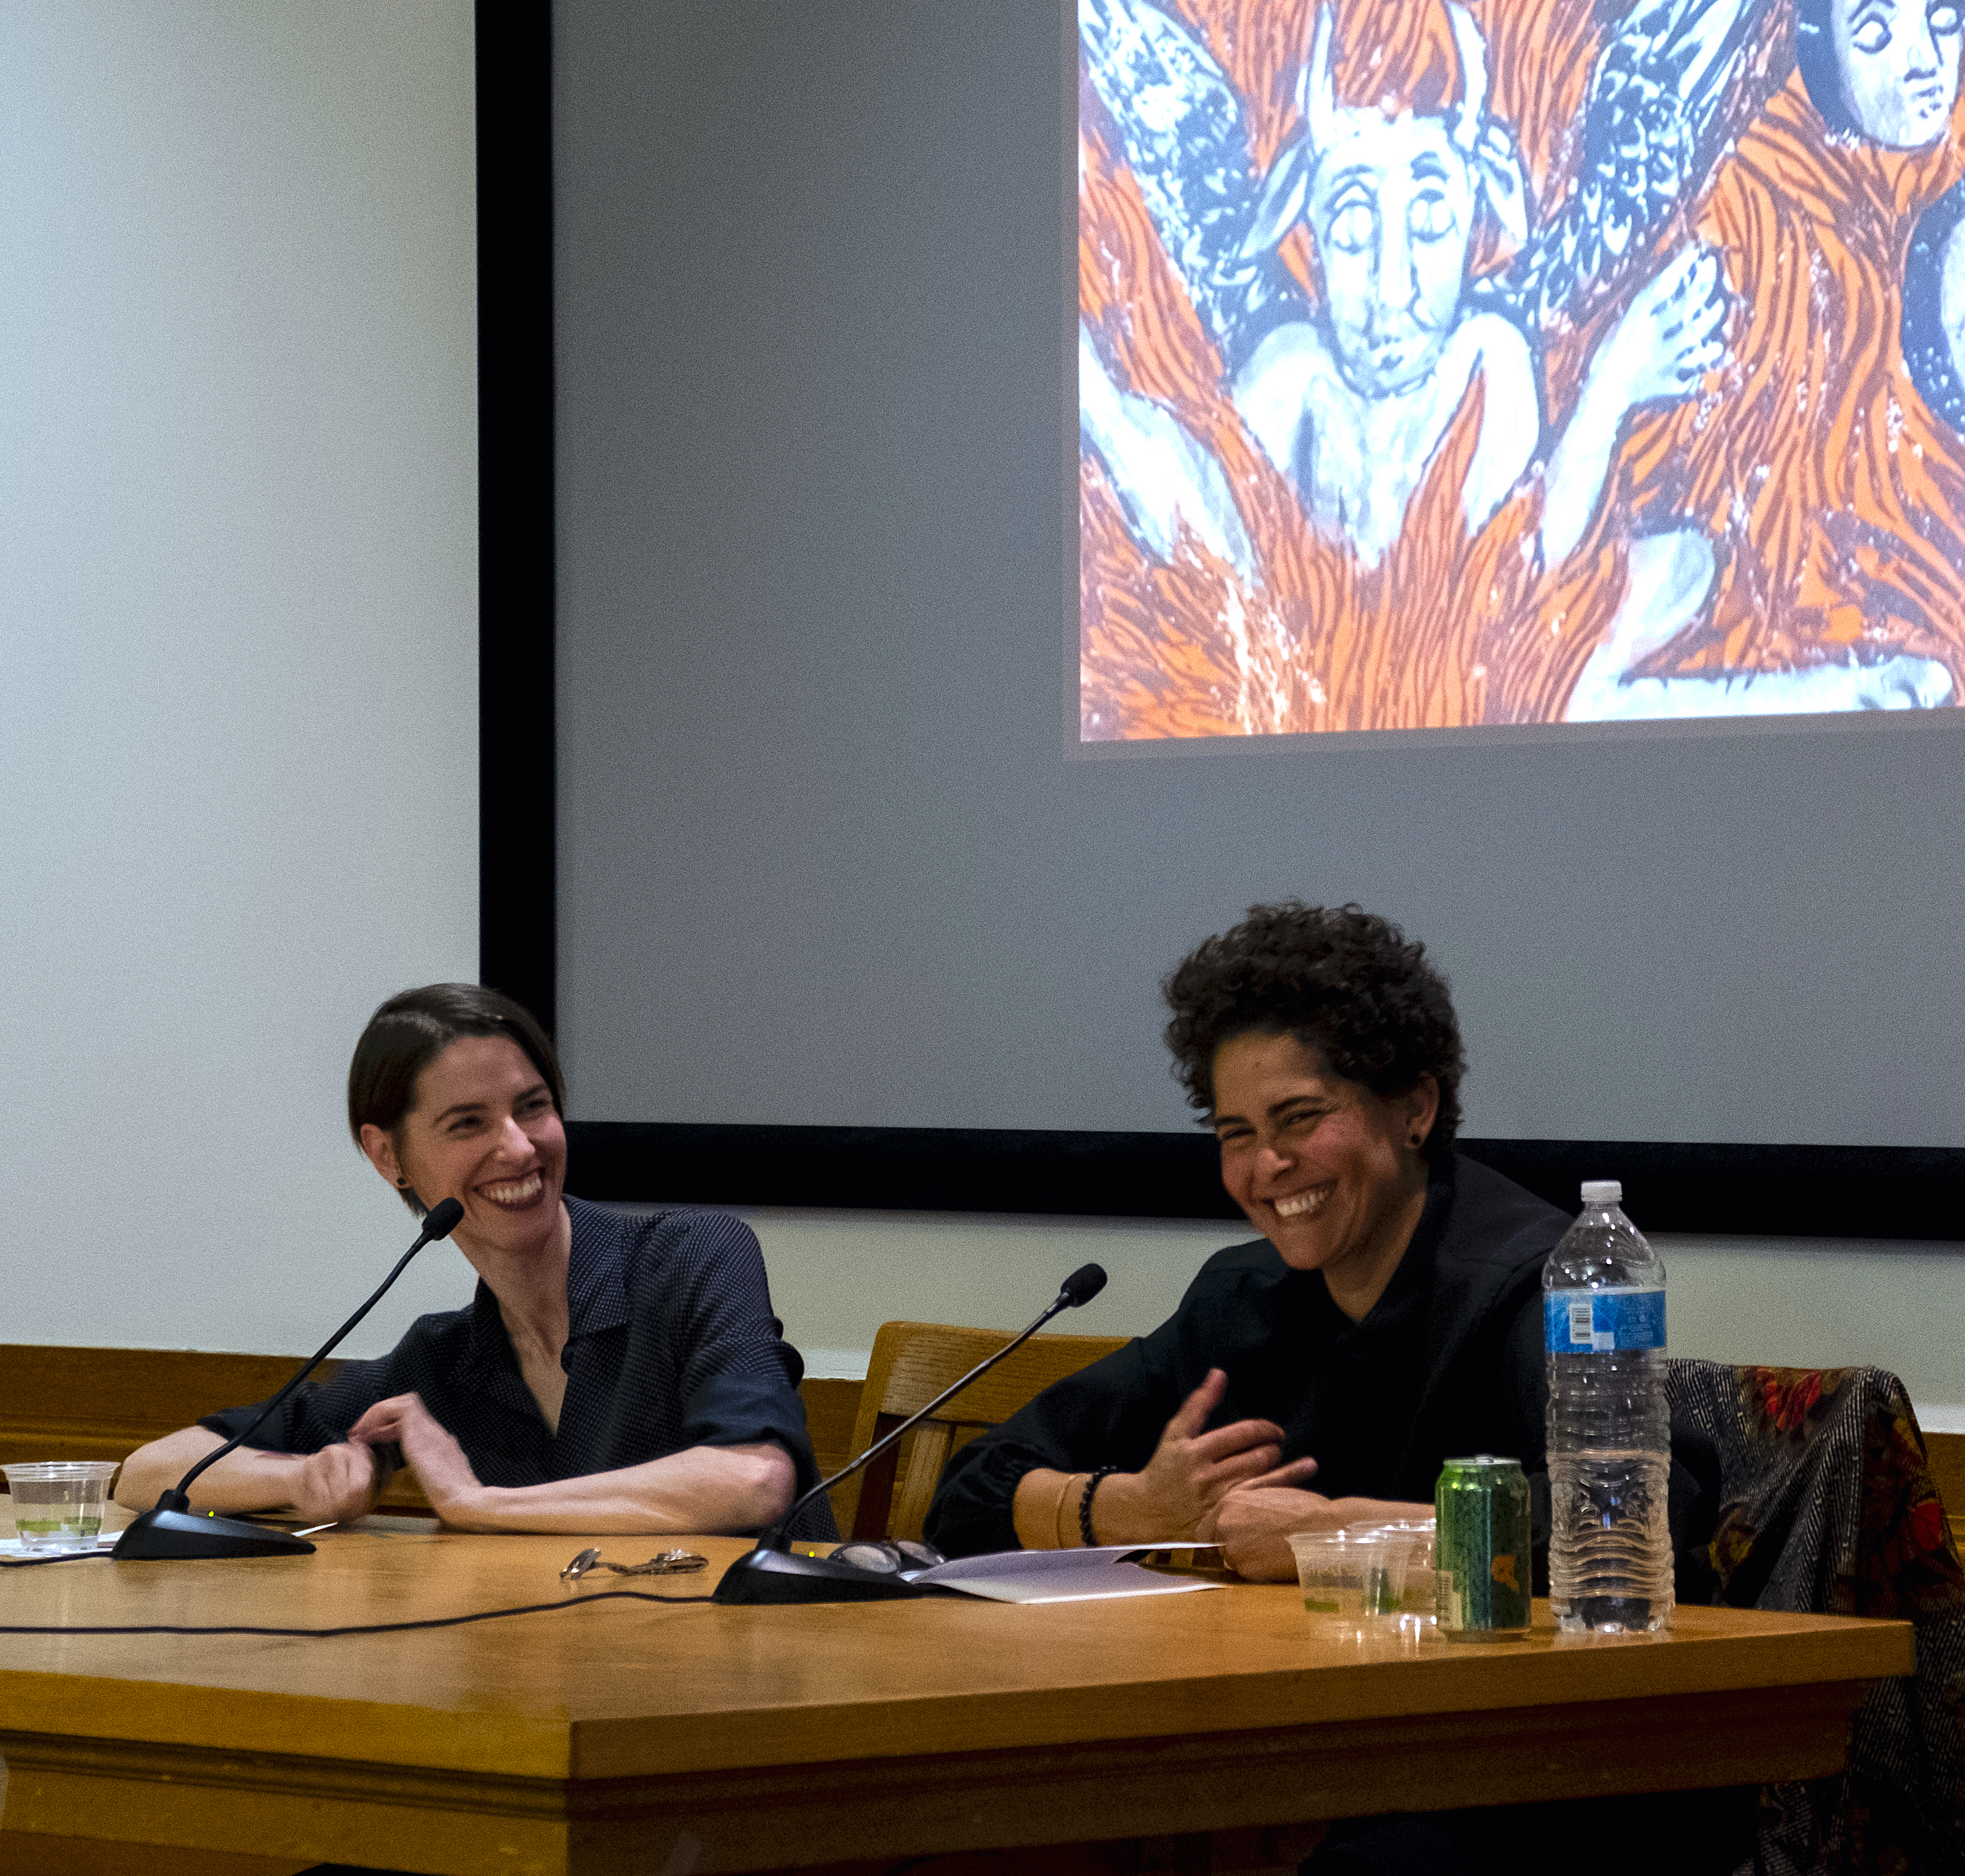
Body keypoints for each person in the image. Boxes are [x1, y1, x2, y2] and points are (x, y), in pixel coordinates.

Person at [925, 901, 1561, 1578]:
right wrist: (1128, 1507)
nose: (1266, 1164)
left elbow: (1627, 1516)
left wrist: (1330, 1536)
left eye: (1299, 1118)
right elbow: (969, 1496)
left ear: (1413, 1108)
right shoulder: (1239, 1298)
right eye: (1237, 1133)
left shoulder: (1539, 1281)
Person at [114, 984, 829, 1537]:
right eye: (468, 1123)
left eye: (534, 1107)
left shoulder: (692, 1257)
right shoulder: (442, 1360)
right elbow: (147, 1472)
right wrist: (301, 1481)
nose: (519, 1147)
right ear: (387, 1154)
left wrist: (478, 1502)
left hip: (761, 1676)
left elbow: (752, 1478)